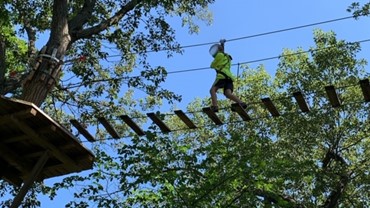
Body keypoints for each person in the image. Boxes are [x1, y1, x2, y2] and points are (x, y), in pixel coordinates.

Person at [209, 39, 246, 112]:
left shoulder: (219, 55)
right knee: (227, 93)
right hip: (229, 78)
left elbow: (212, 65)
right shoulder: (227, 57)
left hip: (222, 76)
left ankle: (215, 106)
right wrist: (222, 44)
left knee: (212, 90)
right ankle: (241, 103)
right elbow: (222, 51)